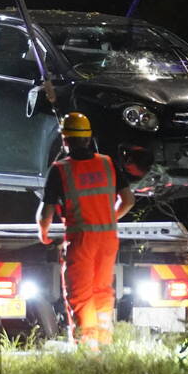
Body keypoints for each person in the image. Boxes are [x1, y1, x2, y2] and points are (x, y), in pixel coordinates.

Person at [36, 112, 135, 350]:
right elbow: (129, 200)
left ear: (64, 140)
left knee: (80, 294)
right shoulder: (107, 163)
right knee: (102, 290)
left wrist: (43, 232)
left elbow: (45, 212)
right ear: (89, 139)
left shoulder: (61, 169)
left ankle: (86, 346)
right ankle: (105, 342)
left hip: (81, 240)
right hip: (108, 239)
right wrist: (109, 217)